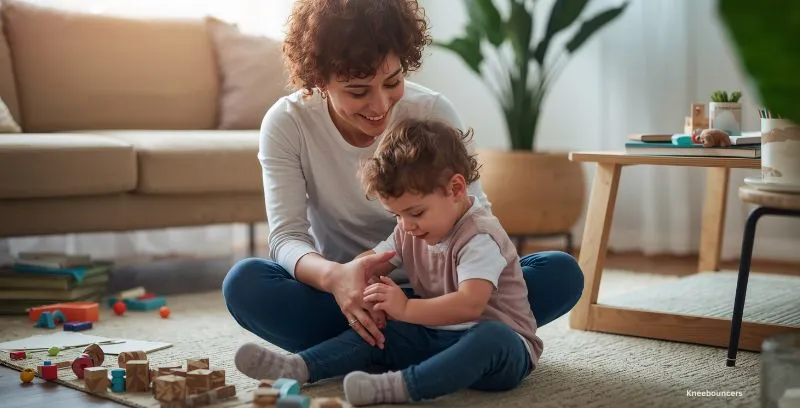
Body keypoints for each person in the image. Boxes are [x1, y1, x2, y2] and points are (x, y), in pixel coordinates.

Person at [222, 0, 583, 355]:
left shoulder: (431, 112)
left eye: (393, 82)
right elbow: (287, 237)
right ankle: (440, 346)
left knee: (559, 272)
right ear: (319, 80)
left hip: (445, 292)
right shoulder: (288, 123)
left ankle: (378, 345)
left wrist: (420, 302)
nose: (380, 106)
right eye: (358, 91)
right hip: (344, 295)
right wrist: (337, 278)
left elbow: (474, 214)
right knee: (245, 284)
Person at [235, 118, 541, 406]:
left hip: (503, 349)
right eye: (397, 215)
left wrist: (405, 308)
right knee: (387, 330)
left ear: (456, 189)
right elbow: (376, 260)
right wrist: (358, 276)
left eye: (416, 213)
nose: (406, 225)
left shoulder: (479, 236)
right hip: (441, 333)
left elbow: (469, 305)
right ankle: (299, 366)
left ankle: (400, 387)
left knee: (490, 337)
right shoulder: (409, 230)